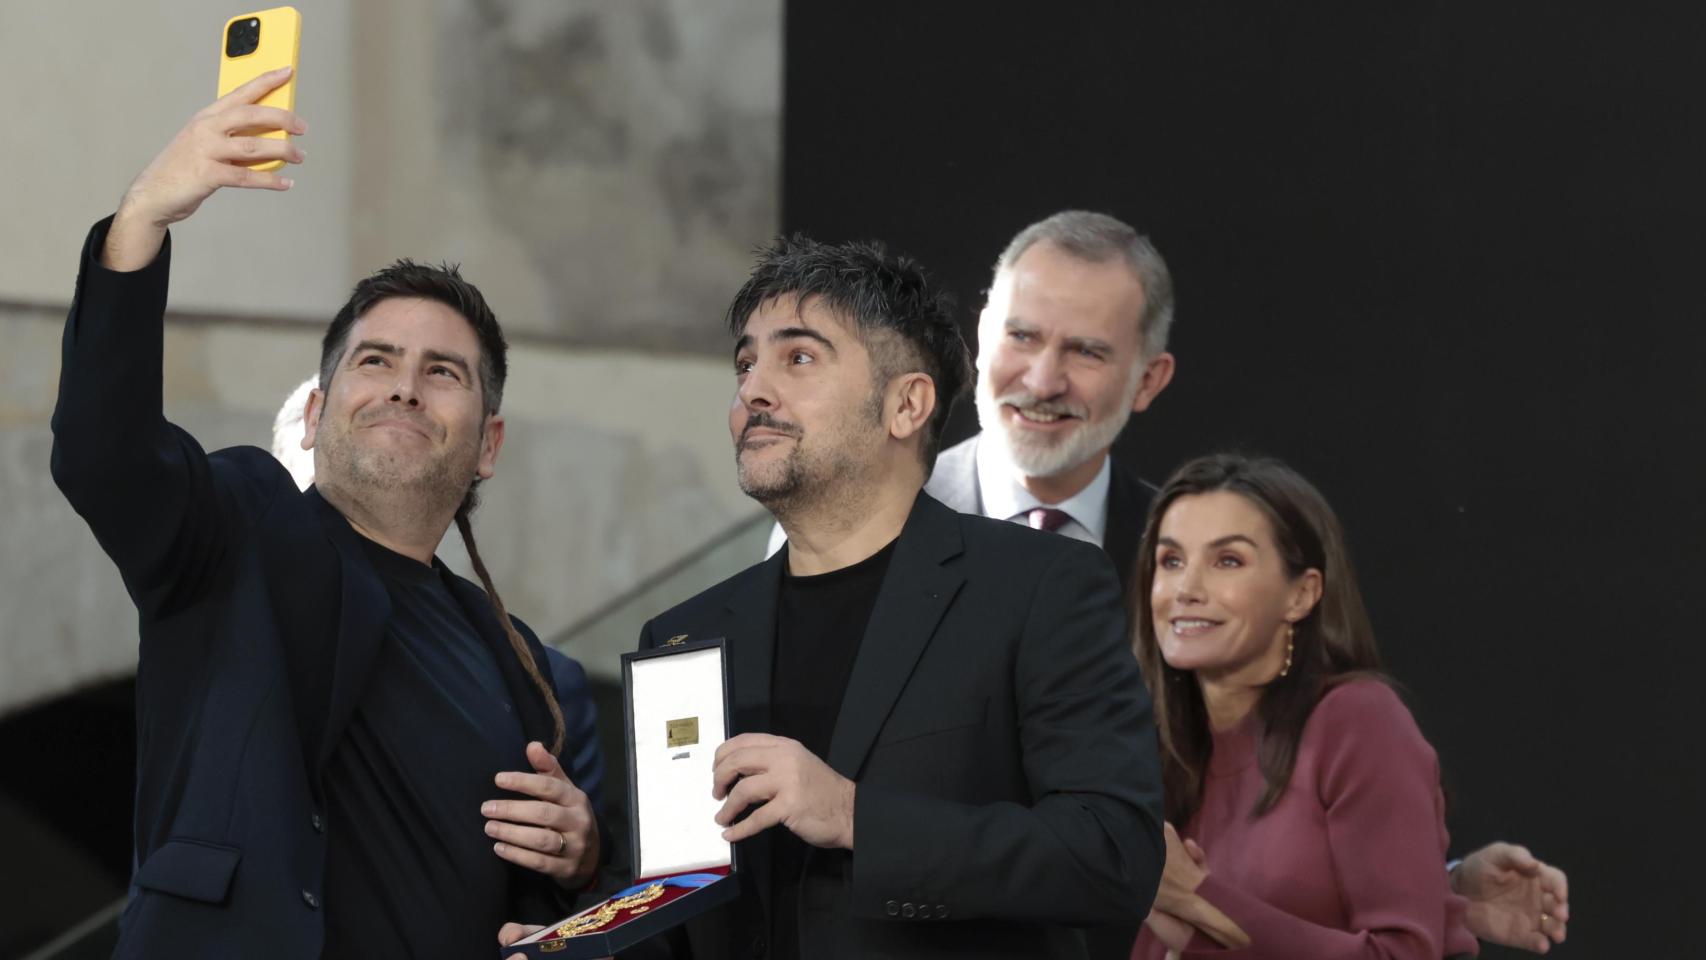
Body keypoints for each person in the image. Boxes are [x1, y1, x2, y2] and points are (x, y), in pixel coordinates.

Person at [793, 209, 1568, 956]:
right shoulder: (854, 533)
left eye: (1087, 352)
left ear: (1149, 378)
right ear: (978, 337)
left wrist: (1437, 890)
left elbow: (1240, 819)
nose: (1043, 376)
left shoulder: (1182, 551)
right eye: (1022, 336)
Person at [51, 68, 606, 958]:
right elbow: (101, 451)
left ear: (488, 443)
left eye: (443, 372)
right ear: (315, 414)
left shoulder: (531, 671)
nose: (404, 387)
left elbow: (561, 912)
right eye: (376, 360)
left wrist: (580, 861)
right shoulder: (235, 529)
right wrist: (143, 219)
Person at [506, 235, 1165, 958]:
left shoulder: (1039, 587)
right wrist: (579, 942)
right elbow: (682, 901)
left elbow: (1112, 858)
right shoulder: (686, 633)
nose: (754, 390)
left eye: (799, 358)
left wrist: (853, 815)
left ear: (906, 404)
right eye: (746, 363)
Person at [1130, 453, 1490, 958]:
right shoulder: (1160, 748)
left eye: (1227, 561)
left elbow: (1404, 953)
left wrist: (1195, 900)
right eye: (1171, 561)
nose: (1186, 590)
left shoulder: (1358, 722)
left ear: (1302, 594)